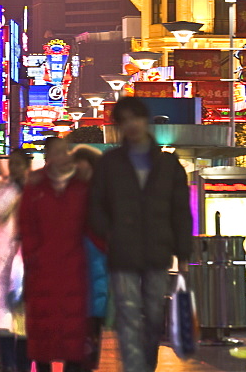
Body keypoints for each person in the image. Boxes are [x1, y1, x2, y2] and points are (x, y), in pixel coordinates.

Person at [90, 97, 192, 372]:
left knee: (153, 317)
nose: (131, 125)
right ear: (119, 126)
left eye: (135, 118)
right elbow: (95, 205)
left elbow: (181, 211)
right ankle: (135, 367)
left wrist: (183, 254)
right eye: (124, 120)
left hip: (158, 252)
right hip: (122, 253)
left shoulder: (169, 165)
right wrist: (109, 234)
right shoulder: (110, 164)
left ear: (145, 121)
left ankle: (147, 365)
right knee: (128, 315)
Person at [19, 136, 90, 372]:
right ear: (48, 158)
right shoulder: (36, 188)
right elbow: (26, 225)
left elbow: (93, 224)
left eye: (65, 151)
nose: (62, 156)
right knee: (42, 330)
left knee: (74, 331)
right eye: (56, 152)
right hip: (43, 270)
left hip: (74, 268)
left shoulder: (82, 186)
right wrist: (33, 255)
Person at [0, 149, 31, 372]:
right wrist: (14, 190)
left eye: (18, 164)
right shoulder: (3, 188)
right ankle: (8, 364)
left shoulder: (35, 189)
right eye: (11, 164)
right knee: (3, 314)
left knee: (24, 316)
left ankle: (23, 365)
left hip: (27, 254)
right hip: (3, 254)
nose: (14, 168)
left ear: (26, 166)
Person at [71, 146, 108, 370]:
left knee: (93, 321)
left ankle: (88, 359)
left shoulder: (103, 194)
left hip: (97, 261)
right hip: (76, 263)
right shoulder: (70, 191)